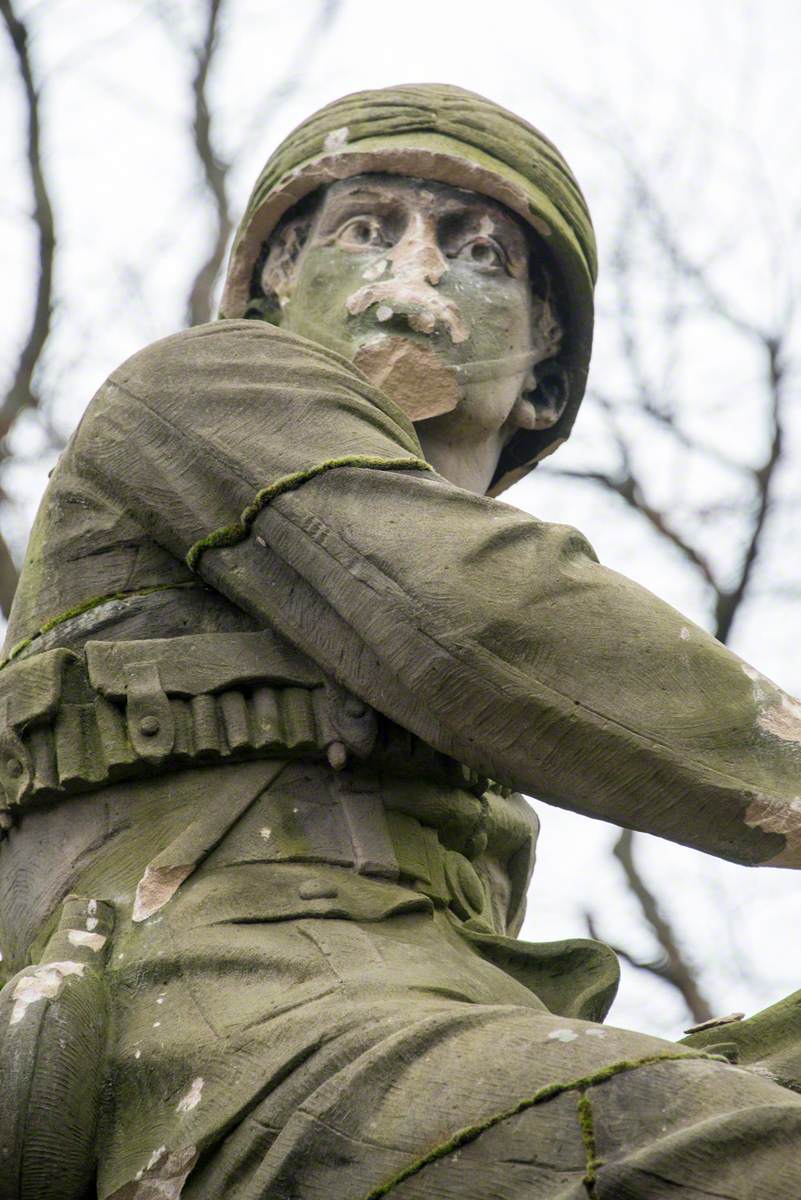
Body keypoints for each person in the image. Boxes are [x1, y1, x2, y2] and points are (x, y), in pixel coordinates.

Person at [1, 83, 801, 1200]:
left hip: (438, 1024)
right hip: (233, 1040)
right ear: (280, 284)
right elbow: (474, 620)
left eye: (481, 254)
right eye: (365, 229)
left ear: (545, 371)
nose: (415, 277)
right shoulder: (198, 391)